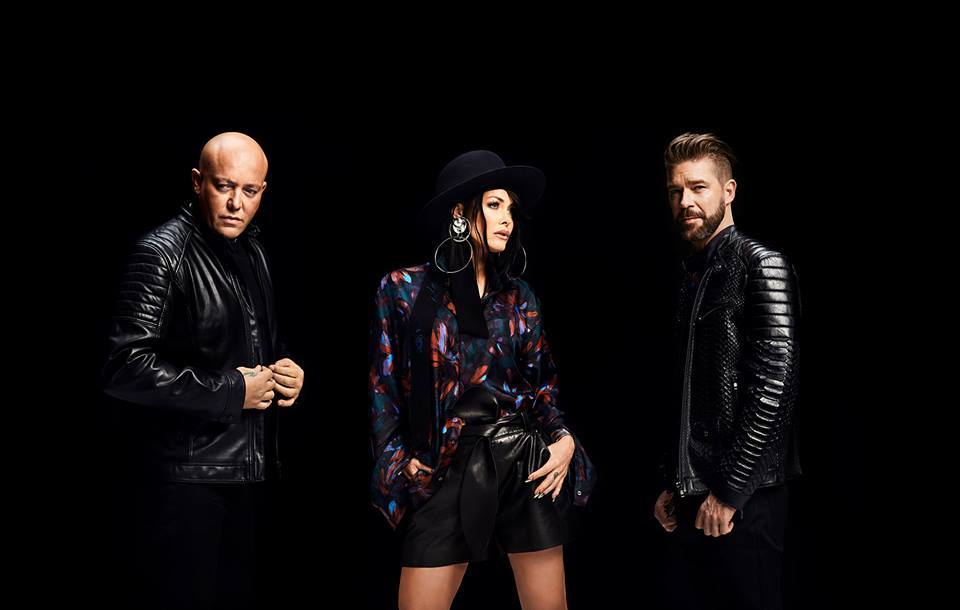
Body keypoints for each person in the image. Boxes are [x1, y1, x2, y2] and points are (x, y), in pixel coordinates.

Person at [368, 150, 597, 609]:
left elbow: (543, 386)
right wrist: (398, 460)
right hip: (445, 462)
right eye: (494, 205)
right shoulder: (403, 288)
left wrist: (565, 440)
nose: (508, 218)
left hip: (523, 460)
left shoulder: (518, 296)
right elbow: (383, 388)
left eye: (511, 208)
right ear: (460, 211)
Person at [101, 131, 305, 609]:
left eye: (249, 191)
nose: (236, 203)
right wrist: (233, 391)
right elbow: (123, 366)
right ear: (198, 182)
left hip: (244, 477)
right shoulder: (161, 252)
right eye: (223, 186)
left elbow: (253, 342)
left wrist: (286, 371)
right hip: (181, 483)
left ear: (263, 191)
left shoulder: (252, 250)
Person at [653, 132, 802, 610]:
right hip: (696, 494)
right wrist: (673, 480)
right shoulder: (692, 276)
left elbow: (774, 386)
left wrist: (731, 492)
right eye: (676, 191)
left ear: (729, 190)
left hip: (744, 498)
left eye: (698, 187)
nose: (685, 202)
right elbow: (688, 392)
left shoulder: (762, 264)